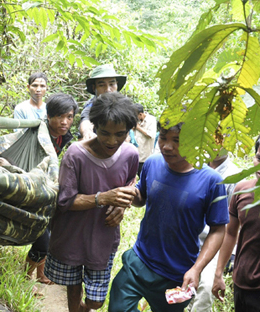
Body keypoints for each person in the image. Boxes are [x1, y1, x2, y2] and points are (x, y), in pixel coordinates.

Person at [109, 123, 229, 312]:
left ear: (193, 141)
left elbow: (218, 230)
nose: (166, 146)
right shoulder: (152, 163)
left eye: (177, 141)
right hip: (139, 261)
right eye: (163, 137)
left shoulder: (212, 181)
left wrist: (196, 269)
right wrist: (132, 194)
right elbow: (143, 197)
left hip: (177, 274)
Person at [44, 92, 139, 312]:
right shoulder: (75, 154)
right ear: (94, 127)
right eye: (105, 133)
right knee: (73, 286)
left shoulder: (130, 154)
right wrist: (103, 198)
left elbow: (130, 182)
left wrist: (121, 203)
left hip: (102, 237)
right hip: (71, 234)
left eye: (120, 134)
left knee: (96, 300)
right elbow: (64, 201)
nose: (112, 141)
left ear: (129, 131)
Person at [25, 92, 77, 285]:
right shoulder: (38, 133)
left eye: (69, 117)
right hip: (33, 188)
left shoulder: (63, 137)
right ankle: (25, 276)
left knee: (49, 230)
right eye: (59, 116)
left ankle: (41, 273)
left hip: (49, 191)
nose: (64, 122)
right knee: (42, 239)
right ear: (48, 116)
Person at [187, 149, 240, 312]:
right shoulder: (194, 167)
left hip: (216, 243)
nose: (216, 147)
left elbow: (234, 223)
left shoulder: (234, 176)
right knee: (187, 286)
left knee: (206, 288)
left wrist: (231, 253)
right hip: (190, 238)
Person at [212, 136, 260, 312]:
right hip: (242, 283)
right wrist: (218, 273)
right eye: (259, 158)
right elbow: (231, 232)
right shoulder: (242, 190)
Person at [78, 65, 127, 140]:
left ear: (116, 84)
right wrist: (87, 132)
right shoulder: (92, 105)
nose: (108, 89)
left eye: (112, 84)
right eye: (101, 85)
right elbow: (86, 120)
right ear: (94, 88)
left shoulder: (124, 104)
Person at [134, 104, 156, 176]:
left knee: (144, 177)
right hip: (135, 156)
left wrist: (138, 128)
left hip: (145, 157)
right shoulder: (136, 121)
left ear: (140, 114)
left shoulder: (151, 120)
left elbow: (150, 135)